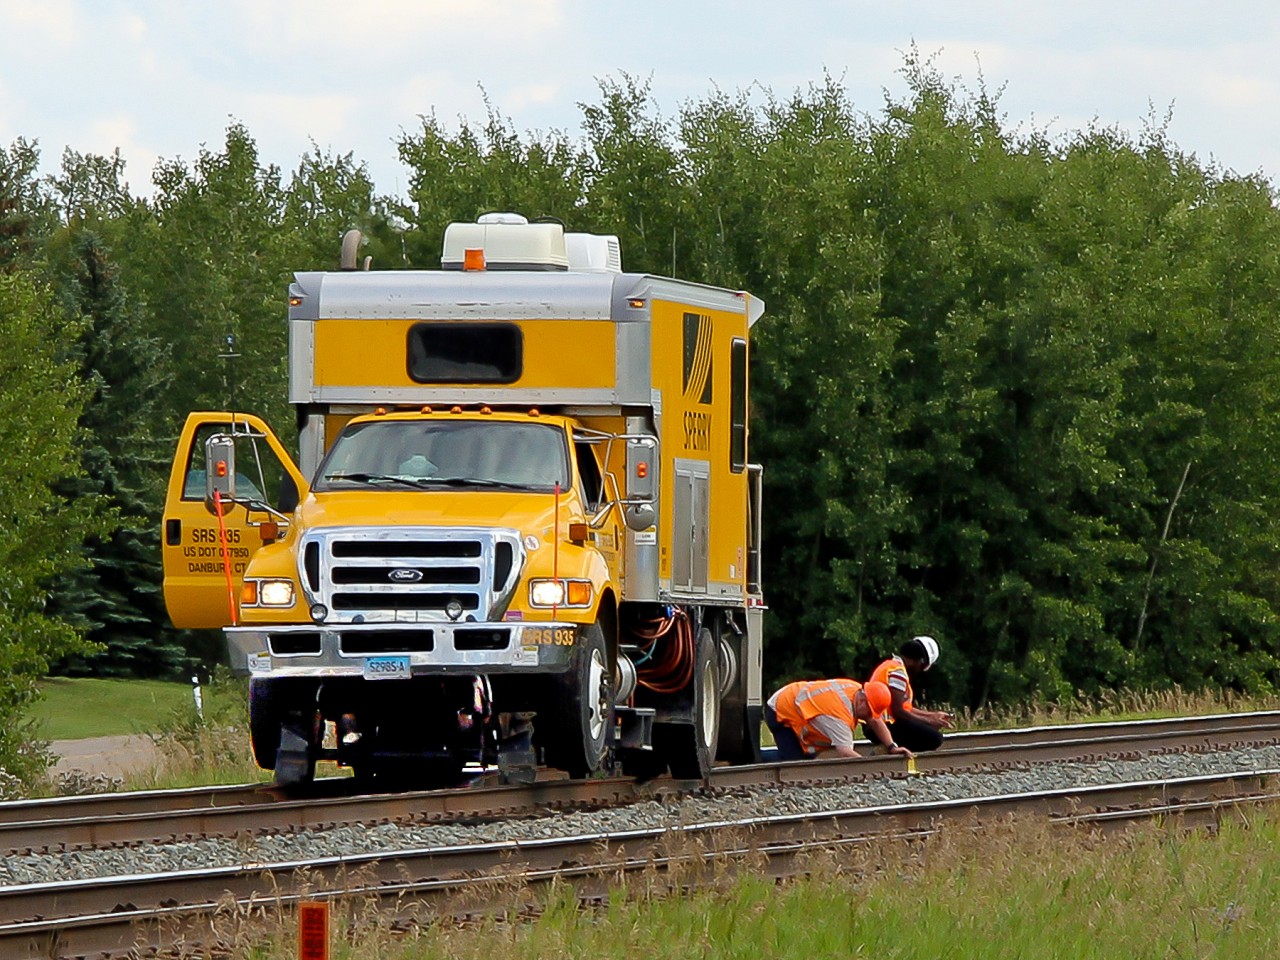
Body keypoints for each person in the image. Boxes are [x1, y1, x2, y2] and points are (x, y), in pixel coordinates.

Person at [764, 678, 914, 760]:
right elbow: (845, 752)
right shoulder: (839, 716)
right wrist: (870, 767)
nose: (869, 717)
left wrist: (892, 747)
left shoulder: (856, 690)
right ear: (863, 702)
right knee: (794, 766)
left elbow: (875, 720)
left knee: (808, 759)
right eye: (870, 711)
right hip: (779, 709)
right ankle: (754, 759)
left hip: (794, 699)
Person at [865, 635, 954, 753]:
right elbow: (898, 711)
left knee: (927, 731)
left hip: (875, 724)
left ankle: (889, 748)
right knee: (934, 738)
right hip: (880, 725)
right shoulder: (898, 673)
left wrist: (932, 716)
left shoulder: (891, 666)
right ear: (920, 661)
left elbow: (905, 708)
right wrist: (928, 721)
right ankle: (886, 749)